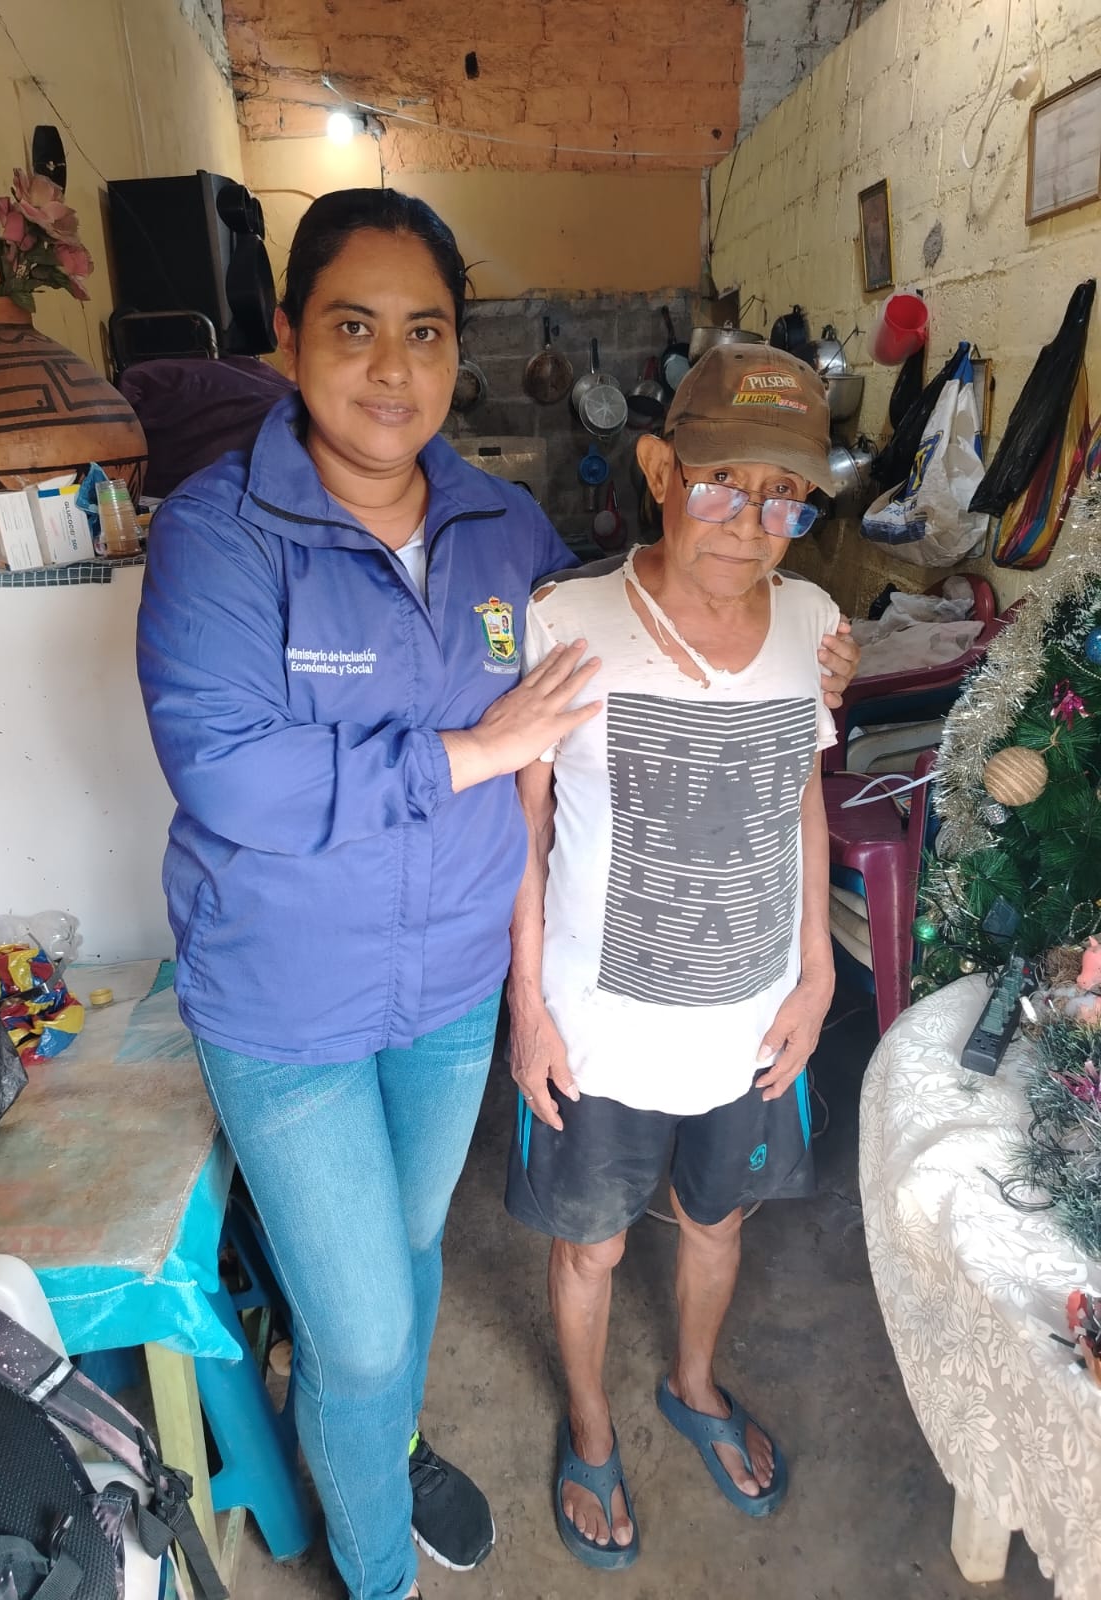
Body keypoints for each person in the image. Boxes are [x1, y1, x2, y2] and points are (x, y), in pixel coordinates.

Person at [137, 187, 860, 1600]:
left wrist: (800, 647)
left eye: (424, 331)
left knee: (409, 1252)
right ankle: (377, 1560)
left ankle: (385, 1438)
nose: (390, 367)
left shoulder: (501, 529)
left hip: (450, 989)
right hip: (287, 999)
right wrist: (474, 749)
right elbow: (233, 778)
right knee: (356, 1328)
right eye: (353, 327)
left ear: (457, 351)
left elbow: (631, 618)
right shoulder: (219, 535)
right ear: (288, 336)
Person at [505, 343, 842, 1570]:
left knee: (717, 1221)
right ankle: (590, 1421)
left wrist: (818, 974)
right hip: (596, 1028)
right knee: (590, 1242)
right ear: (658, 469)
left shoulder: (814, 623)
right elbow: (525, 830)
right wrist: (528, 1008)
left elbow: (804, 801)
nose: (750, 525)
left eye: (784, 497)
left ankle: (693, 1384)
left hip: (750, 1020)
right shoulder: (569, 620)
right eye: (721, 485)